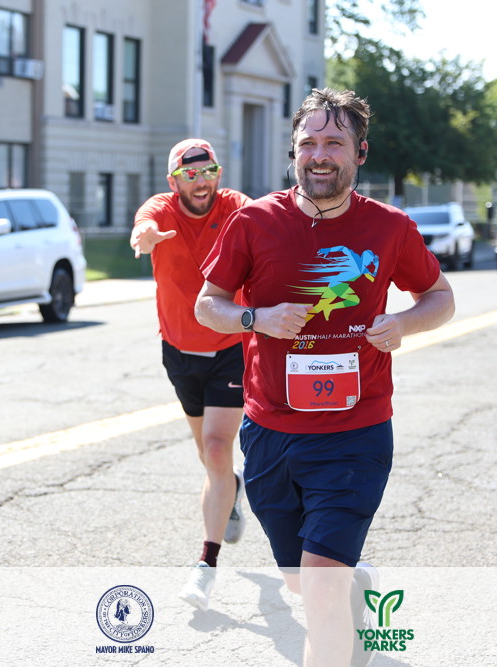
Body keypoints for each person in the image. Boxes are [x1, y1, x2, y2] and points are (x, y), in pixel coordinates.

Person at [195, 88, 455, 666]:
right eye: (308, 142)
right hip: (270, 435)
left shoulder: (389, 227)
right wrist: (256, 317)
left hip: (355, 435)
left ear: (360, 152)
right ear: (293, 151)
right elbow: (207, 305)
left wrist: (403, 323)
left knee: (318, 585)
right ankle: (354, 591)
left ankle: (339, 605)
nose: (319, 155)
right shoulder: (254, 221)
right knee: (300, 582)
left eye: (334, 143)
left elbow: (440, 297)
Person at [130, 139, 253, 612]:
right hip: (179, 352)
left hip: (229, 348)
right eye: (190, 174)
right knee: (209, 456)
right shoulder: (161, 209)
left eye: (208, 172)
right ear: (174, 180)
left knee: (218, 448)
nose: (201, 182)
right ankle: (231, 487)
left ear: (218, 173)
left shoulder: (235, 206)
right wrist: (144, 237)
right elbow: (144, 225)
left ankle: (206, 564)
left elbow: (264, 220)